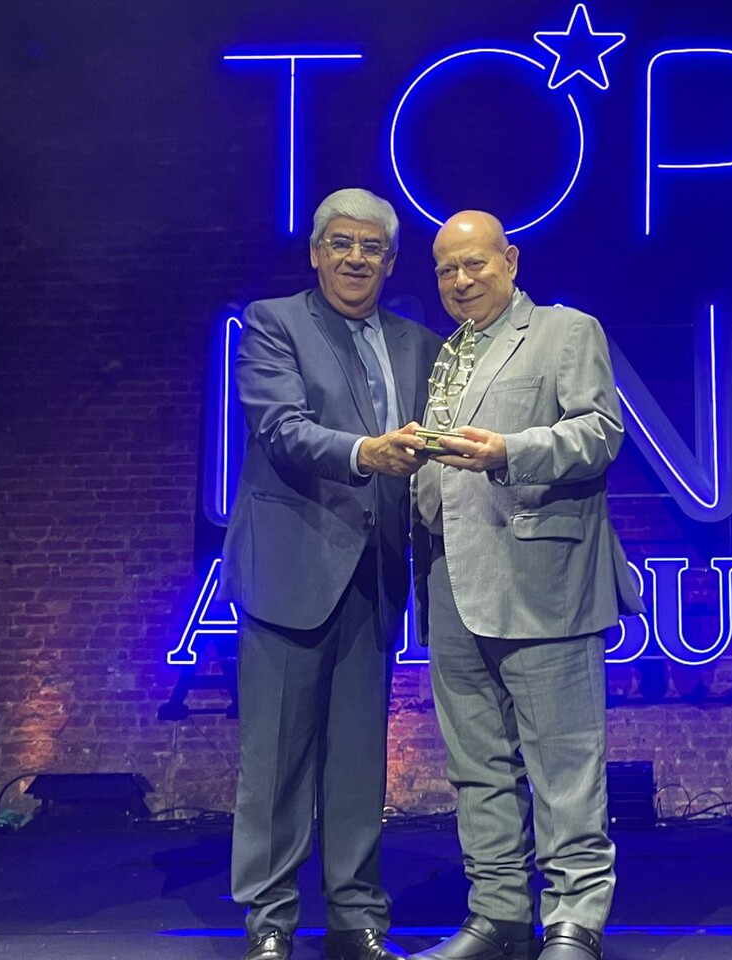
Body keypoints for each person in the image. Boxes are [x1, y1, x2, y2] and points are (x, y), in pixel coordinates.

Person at [411, 211, 644, 960]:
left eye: (474, 263)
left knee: (564, 764)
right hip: (450, 577)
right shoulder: (446, 352)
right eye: (446, 269)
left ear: (509, 261)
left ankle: (574, 919)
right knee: (476, 765)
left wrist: (511, 449)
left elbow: (600, 431)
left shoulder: (565, 331)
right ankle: (498, 914)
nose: (460, 280)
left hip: (542, 578)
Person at [221, 188, 442, 960]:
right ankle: (270, 922)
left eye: (371, 247)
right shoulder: (274, 323)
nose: (355, 258)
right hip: (291, 570)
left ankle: (356, 919)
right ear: (316, 253)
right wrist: (363, 452)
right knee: (277, 764)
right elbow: (280, 428)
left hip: (374, 575)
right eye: (341, 243)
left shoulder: (420, 343)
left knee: (357, 766)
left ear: (391, 260)